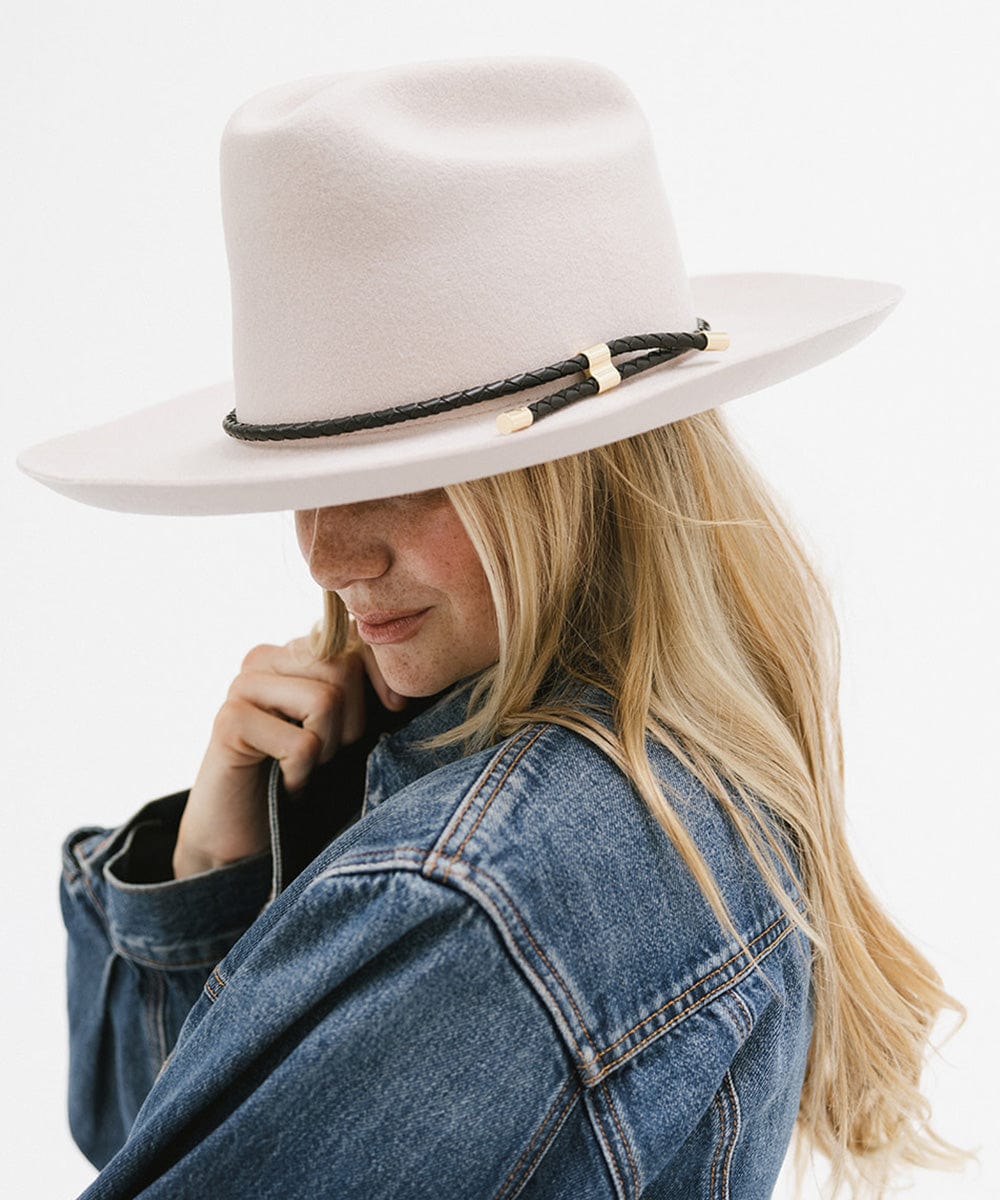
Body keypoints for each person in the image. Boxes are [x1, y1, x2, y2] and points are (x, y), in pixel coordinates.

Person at [20, 56, 967, 1199]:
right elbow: (163, 1132)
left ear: (575, 480)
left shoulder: (473, 892)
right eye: (307, 477)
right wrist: (218, 862)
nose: (325, 556)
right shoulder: (678, 781)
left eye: (414, 480)